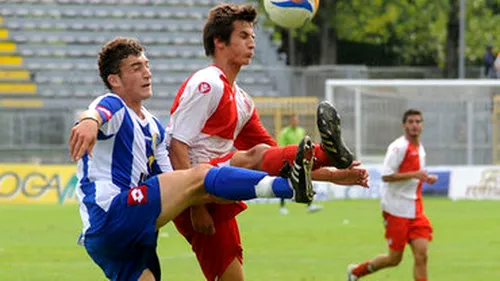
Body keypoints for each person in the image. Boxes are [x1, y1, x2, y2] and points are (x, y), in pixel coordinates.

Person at [68, 37, 317, 281]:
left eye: (147, 65)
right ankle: (288, 187)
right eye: (136, 68)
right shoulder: (114, 104)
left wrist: (203, 197)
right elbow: (98, 111)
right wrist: (89, 121)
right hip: (112, 211)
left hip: (119, 235)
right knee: (199, 175)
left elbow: (174, 180)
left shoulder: (154, 126)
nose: (147, 73)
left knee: (200, 186)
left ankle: (287, 185)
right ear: (115, 80)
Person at [167, 3, 355, 281]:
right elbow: (176, 146)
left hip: (217, 189)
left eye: (253, 36)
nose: (251, 43)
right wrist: (195, 206)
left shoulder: (242, 100)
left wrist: (333, 175)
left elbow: (279, 158)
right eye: (243, 36)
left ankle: (328, 156)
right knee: (253, 156)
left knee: (232, 278)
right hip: (193, 191)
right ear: (219, 42)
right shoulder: (207, 84)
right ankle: (327, 152)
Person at [346, 109, 438, 281]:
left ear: (422, 125)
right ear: (404, 125)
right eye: (411, 122)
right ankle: (356, 272)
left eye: (418, 122)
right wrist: (415, 174)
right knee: (394, 259)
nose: (414, 125)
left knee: (422, 255)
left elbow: (415, 174)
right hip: (396, 209)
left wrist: (425, 177)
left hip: (416, 209)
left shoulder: (420, 149)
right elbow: (386, 176)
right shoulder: (398, 147)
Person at [277, 113, 322, 214]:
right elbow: (281, 146)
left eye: (296, 119)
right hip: (289, 160)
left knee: (306, 180)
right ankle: (282, 207)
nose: (295, 121)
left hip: (301, 161)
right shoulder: (285, 132)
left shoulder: (301, 131)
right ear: (290, 121)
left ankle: (310, 204)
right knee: (285, 183)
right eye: (293, 119)